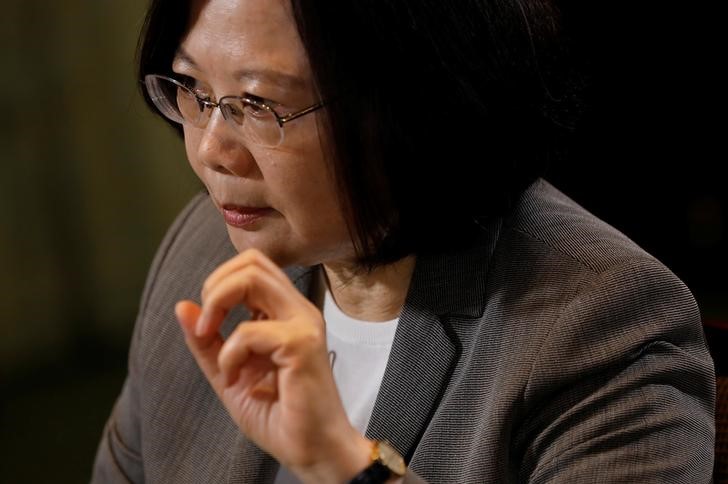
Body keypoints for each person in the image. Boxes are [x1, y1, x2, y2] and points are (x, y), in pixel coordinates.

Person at [92, 0, 715, 482]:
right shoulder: (202, 246)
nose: (211, 152)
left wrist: (342, 462)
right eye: (195, 92)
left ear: (412, 105)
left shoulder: (600, 322)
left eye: (259, 103)